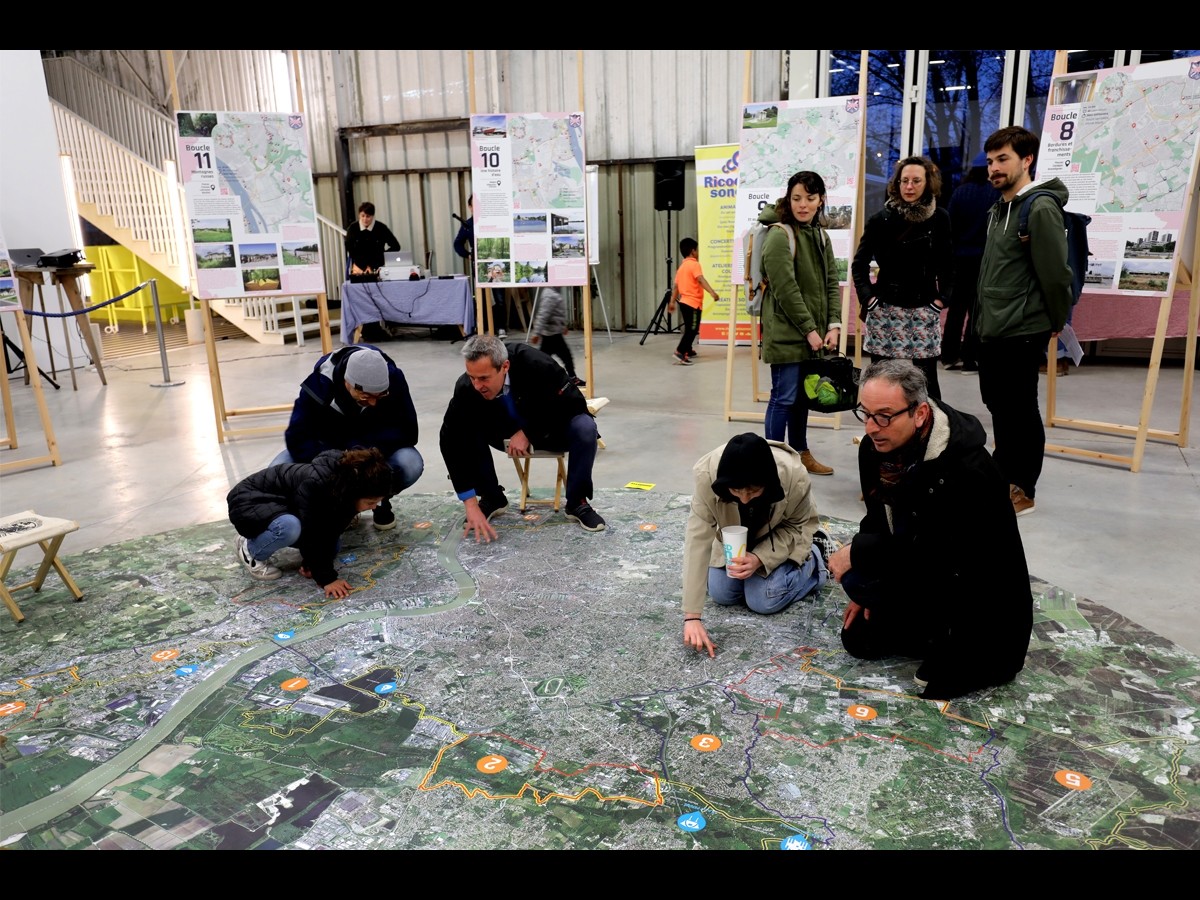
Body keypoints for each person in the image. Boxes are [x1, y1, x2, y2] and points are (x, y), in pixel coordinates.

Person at [826, 359, 1033, 700]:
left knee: (935, 685)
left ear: (920, 414)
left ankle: (948, 638)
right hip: (919, 573)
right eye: (865, 413)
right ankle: (927, 630)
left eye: (885, 416)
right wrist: (864, 591)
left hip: (973, 594)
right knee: (858, 636)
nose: (872, 428)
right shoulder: (875, 450)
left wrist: (859, 552)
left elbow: (945, 555)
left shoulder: (967, 468)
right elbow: (878, 517)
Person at [974, 125, 1073, 517]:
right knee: (999, 404)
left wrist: (1055, 319)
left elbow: (1055, 274)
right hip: (994, 327)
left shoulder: (1040, 207)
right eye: (991, 161)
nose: (994, 169)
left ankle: (1023, 487)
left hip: (1021, 328)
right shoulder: (998, 209)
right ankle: (1004, 472)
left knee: (1020, 410)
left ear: (1026, 160)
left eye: (1003, 160)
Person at [681, 433, 833, 658]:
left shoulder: (794, 476)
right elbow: (697, 538)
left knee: (763, 599)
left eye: (753, 491)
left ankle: (817, 556)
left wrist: (759, 558)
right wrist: (691, 616)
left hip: (783, 534)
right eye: (735, 491)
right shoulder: (706, 476)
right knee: (722, 593)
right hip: (737, 538)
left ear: (768, 483)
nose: (744, 499)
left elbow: (796, 526)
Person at [439, 334, 604, 540]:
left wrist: (528, 432)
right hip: (504, 432)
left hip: (550, 428)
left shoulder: (536, 363)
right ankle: (491, 497)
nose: (477, 385)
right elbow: (449, 440)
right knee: (465, 427)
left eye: (484, 378)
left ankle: (577, 502)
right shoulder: (466, 387)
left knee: (585, 427)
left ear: (504, 366)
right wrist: (469, 502)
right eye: (472, 377)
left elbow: (573, 405)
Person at [272, 345, 422, 531]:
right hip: (331, 453)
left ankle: (378, 497)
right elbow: (297, 437)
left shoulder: (392, 378)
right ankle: (340, 504)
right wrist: (336, 463)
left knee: (411, 463)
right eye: (366, 396)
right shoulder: (319, 385)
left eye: (380, 396)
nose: (374, 403)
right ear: (347, 383)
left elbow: (408, 430)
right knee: (278, 470)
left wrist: (365, 458)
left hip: (374, 451)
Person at [758, 170, 842, 476]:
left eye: (809, 198)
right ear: (788, 199)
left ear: (820, 200)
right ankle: (773, 464)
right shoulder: (780, 236)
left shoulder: (820, 236)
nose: (803, 204)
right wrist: (809, 329)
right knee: (783, 398)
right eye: (796, 198)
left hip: (814, 336)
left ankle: (800, 454)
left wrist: (833, 324)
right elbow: (785, 289)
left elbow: (831, 282)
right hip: (787, 334)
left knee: (802, 400)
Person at [228, 447, 393, 598]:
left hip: (284, 504)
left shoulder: (346, 488)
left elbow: (330, 530)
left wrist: (311, 564)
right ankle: (250, 549)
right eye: (371, 502)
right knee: (289, 527)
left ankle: (269, 540)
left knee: (332, 548)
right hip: (249, 502)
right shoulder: (318, 485)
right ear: (355, 493)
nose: (374, 507)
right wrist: (326, 579)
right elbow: (313, 532)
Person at [851, 156, 953, 400]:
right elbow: (859, 263)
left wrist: (941, 300)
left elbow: (948, 265)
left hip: (923, 307)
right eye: (904, 180)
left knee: (927, 381)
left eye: (916, 181)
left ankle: (932, 430)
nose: (909, 186)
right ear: (896, 183)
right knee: (881, 378)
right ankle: (881, 424)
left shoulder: (940, 218)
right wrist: (869, 298)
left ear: (927, 183)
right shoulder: (881, 219)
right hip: (885, 307)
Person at [942, 152, 998, 373]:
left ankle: (948, 356)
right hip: (984, 261)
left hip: (959, 261)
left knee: (955, 310)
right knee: (977, 311)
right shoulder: (996, 194)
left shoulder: (959, 193)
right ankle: (970, 359)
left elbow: (950, 230)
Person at [667, 237, 719, 365]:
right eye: (697, 250)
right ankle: (680, 352)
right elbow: (701, 279)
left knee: (690, 327)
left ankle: (688, 349)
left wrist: (672, 302)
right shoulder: (694, 264)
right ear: (692, 251)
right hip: (693, 304)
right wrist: (712, 292)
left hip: (684, 303)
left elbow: (676, 287)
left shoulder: (682, 267)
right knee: (692, 330)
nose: (698, 252)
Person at [530, 285, 583, 387]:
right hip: (551, 335)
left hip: (554, 333)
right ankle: (572, 378)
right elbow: (543, 315)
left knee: (546, 358)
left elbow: (556, 313)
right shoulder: (549, 294)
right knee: (563, 357)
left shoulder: (554, 292)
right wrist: (536, 333)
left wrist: (563, 326)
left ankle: (535, 379)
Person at [344, 201, 400, 275]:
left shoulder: (381, 228)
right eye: (362, 216)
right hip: (359, 267)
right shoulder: (353, 228)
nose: (365, 219)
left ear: (373, 216)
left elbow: (396, 246)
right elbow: (349, 247)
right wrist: (363, 265)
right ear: (359, 215)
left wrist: (383, 256)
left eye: (368, 216)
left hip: (378, 267)